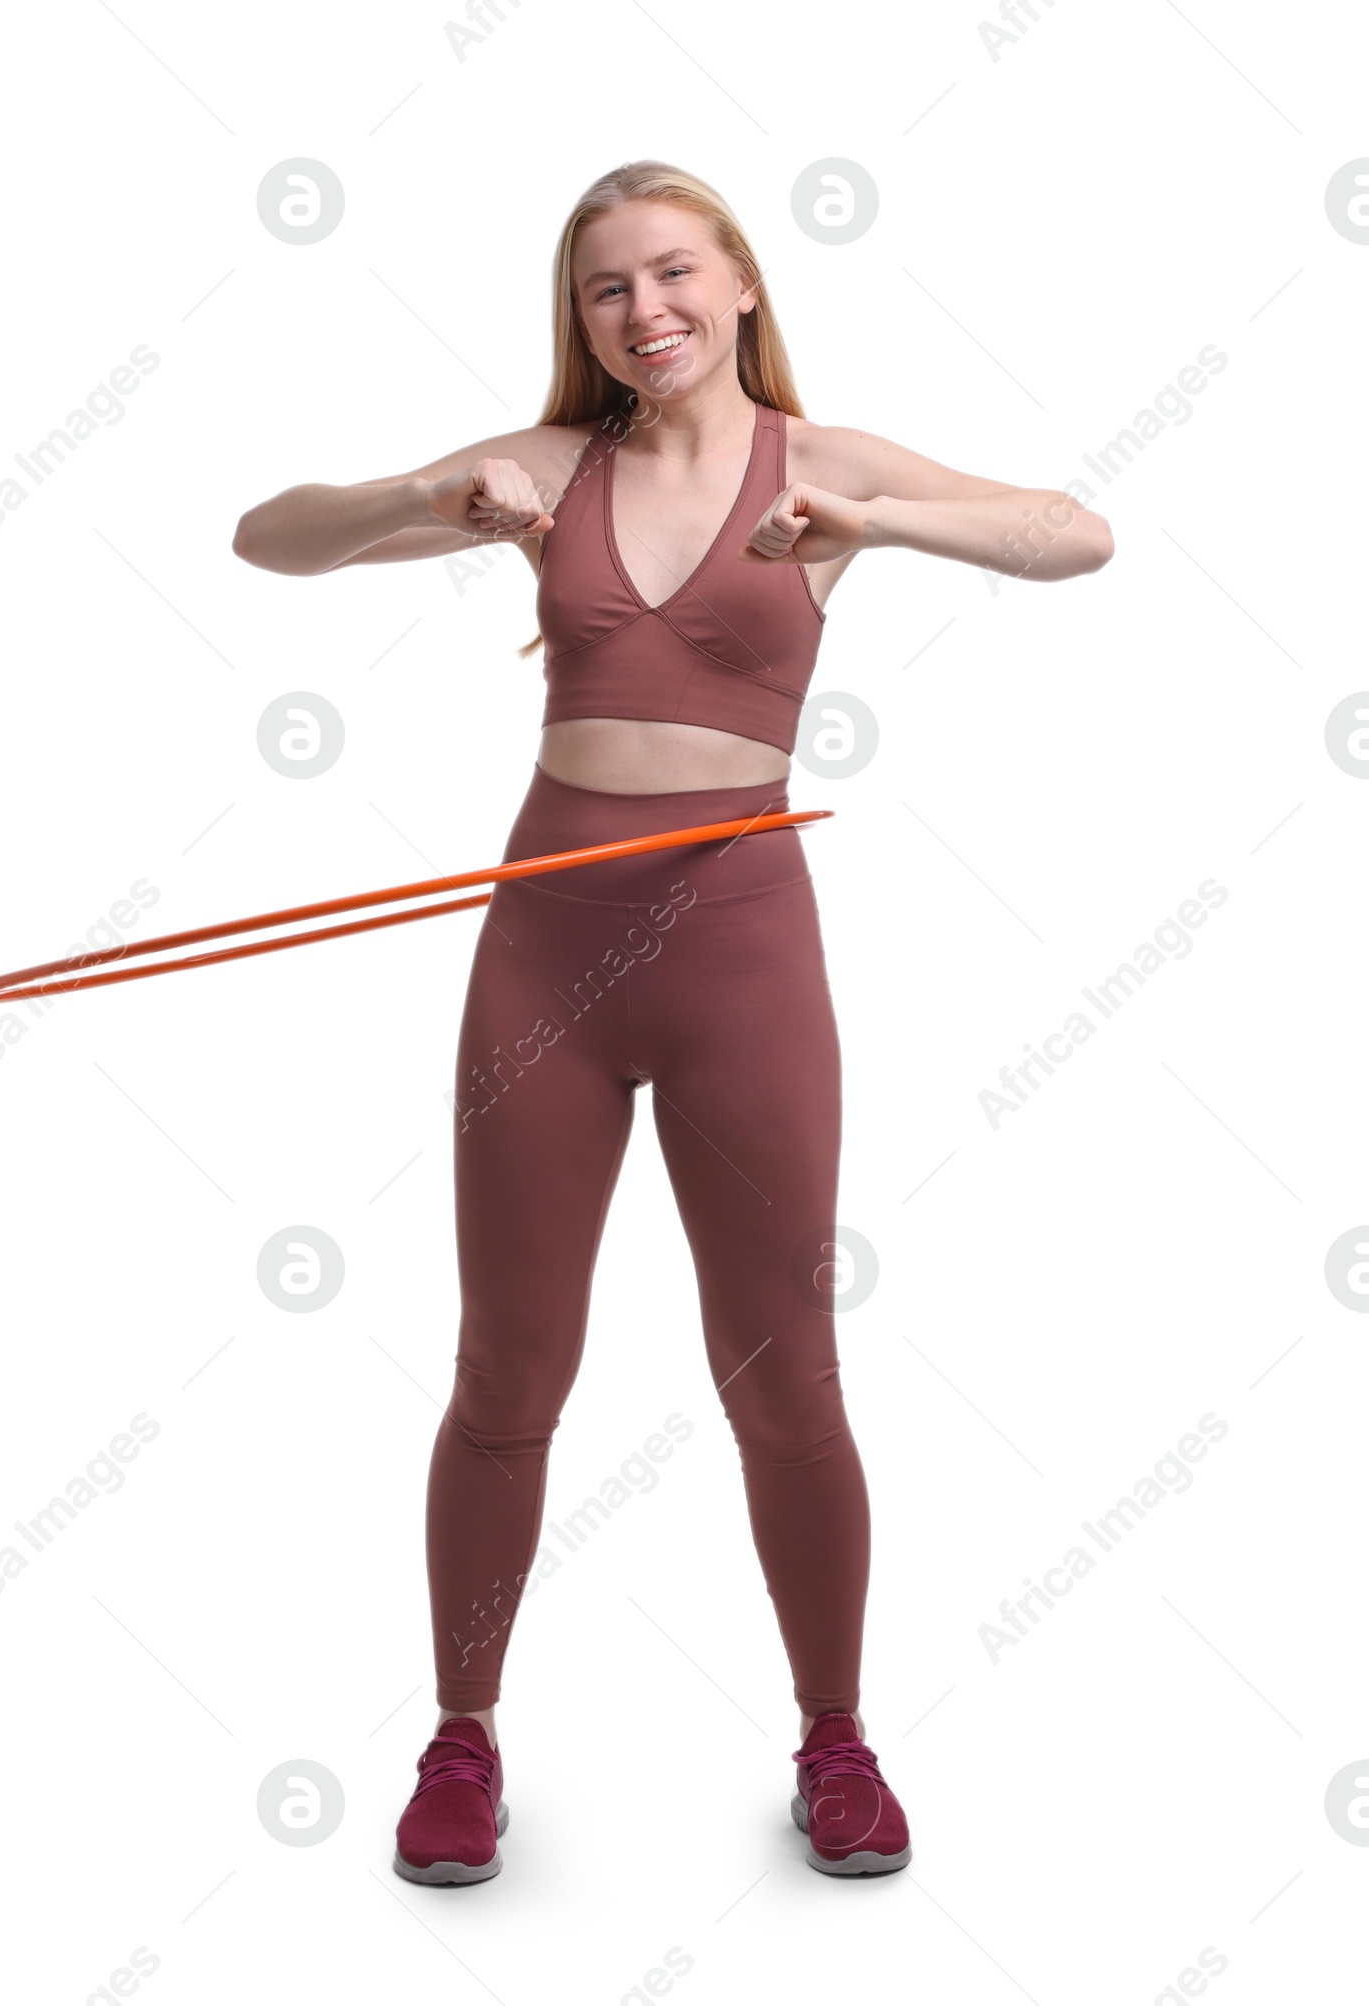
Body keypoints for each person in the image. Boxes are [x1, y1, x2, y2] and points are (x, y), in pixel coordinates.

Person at [232, 159, 1113, 1884]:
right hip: (544, 954)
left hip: (743, 959)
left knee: (788, 1375)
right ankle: (462, 1739)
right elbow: (270, 538)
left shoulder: (825, 466)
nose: (647, 310)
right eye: (607, 289)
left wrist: (886, 527)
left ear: (744, 287)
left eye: (675, 272)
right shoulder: (545, 471)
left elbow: (1073, 532)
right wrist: (425, 488)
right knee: (508, 1368)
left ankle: (839, 1739)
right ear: (582, 322)